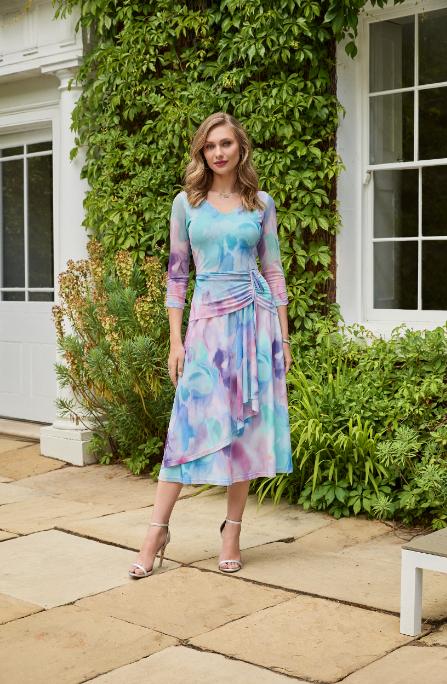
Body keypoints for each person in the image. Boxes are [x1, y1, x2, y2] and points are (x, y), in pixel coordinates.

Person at [128, 111, 293, 579]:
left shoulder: (261, 203)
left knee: (244, 433)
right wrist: (175, 341)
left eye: (226, 143)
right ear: (202, 152)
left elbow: (274, 270)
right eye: (210, 145)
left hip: (253, 324)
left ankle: (232, 532)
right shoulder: (187, 203)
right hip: (205, 329)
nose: (219, 152)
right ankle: (156, 531)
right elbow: (177, 276)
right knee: (185, 429)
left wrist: (283, 338)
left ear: (241, 148)